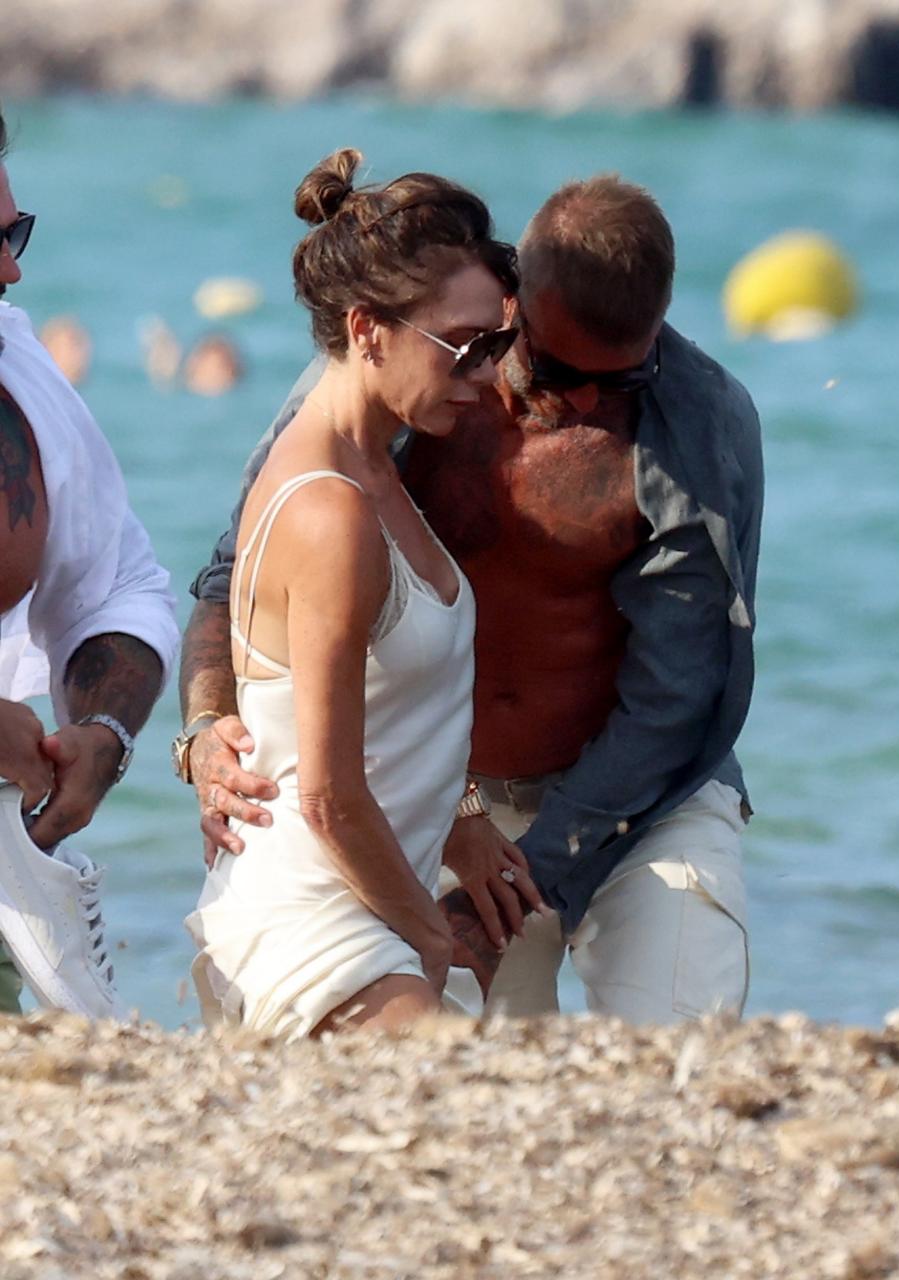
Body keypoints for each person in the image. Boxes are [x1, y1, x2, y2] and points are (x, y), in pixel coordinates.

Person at [181, 172, 762, 1025]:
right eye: (557, 366)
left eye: (626, 379)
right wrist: (204, 727)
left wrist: (539, 873)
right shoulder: (403, 379)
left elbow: (677, 695)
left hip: (644, 796)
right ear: (510, 305)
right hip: (448, 798)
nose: (590, 399)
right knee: (481, 1090)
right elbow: (238, 579)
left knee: (685, 1049)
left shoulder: (699, 422)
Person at [183, 148, 520, 1040]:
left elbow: (381, 714)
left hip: (365, 913)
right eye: (464, 347)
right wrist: (426, 938)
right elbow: (326, 796)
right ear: (368, 330)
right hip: (316, 931)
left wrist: (461, 815)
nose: (487, 376)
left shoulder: (377, 465)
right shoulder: (329, 508)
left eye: (499, 342)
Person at [0, 105, 179, 1018]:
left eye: (14, 232)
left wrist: (104, 731)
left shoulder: (17, 373)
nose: (11, 267)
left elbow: (116, 585)